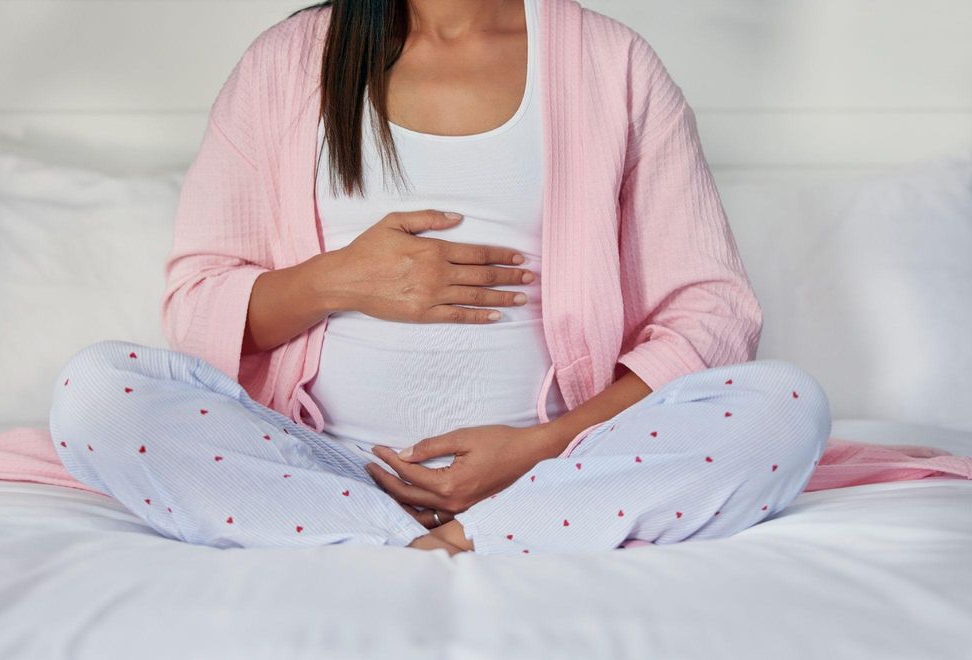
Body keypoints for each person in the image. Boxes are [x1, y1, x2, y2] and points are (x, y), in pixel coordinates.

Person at [48, 0, 831, 556]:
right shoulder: (285, 64)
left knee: (786, 408)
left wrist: (542, 448)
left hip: (553, 466)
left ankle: (480, 526)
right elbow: (196, 309)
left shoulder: (612, 62)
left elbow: (712, 310)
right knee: (94, 393)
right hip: (323, 463)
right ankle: (406, 532)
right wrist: (340, 280)